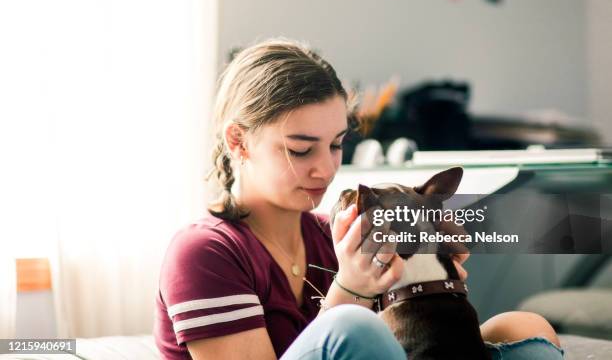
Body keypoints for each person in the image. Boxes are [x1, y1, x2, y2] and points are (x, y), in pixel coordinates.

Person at [154, 39, 564, 360]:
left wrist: (429, 280)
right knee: (354, 327)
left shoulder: (337, 232)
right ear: (238, 141)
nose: (326, 169)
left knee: (522, 327)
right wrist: (350, 288)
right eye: (300, 149)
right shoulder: (205, 252)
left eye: (335, 145)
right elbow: (355, 340)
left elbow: (413, 339)